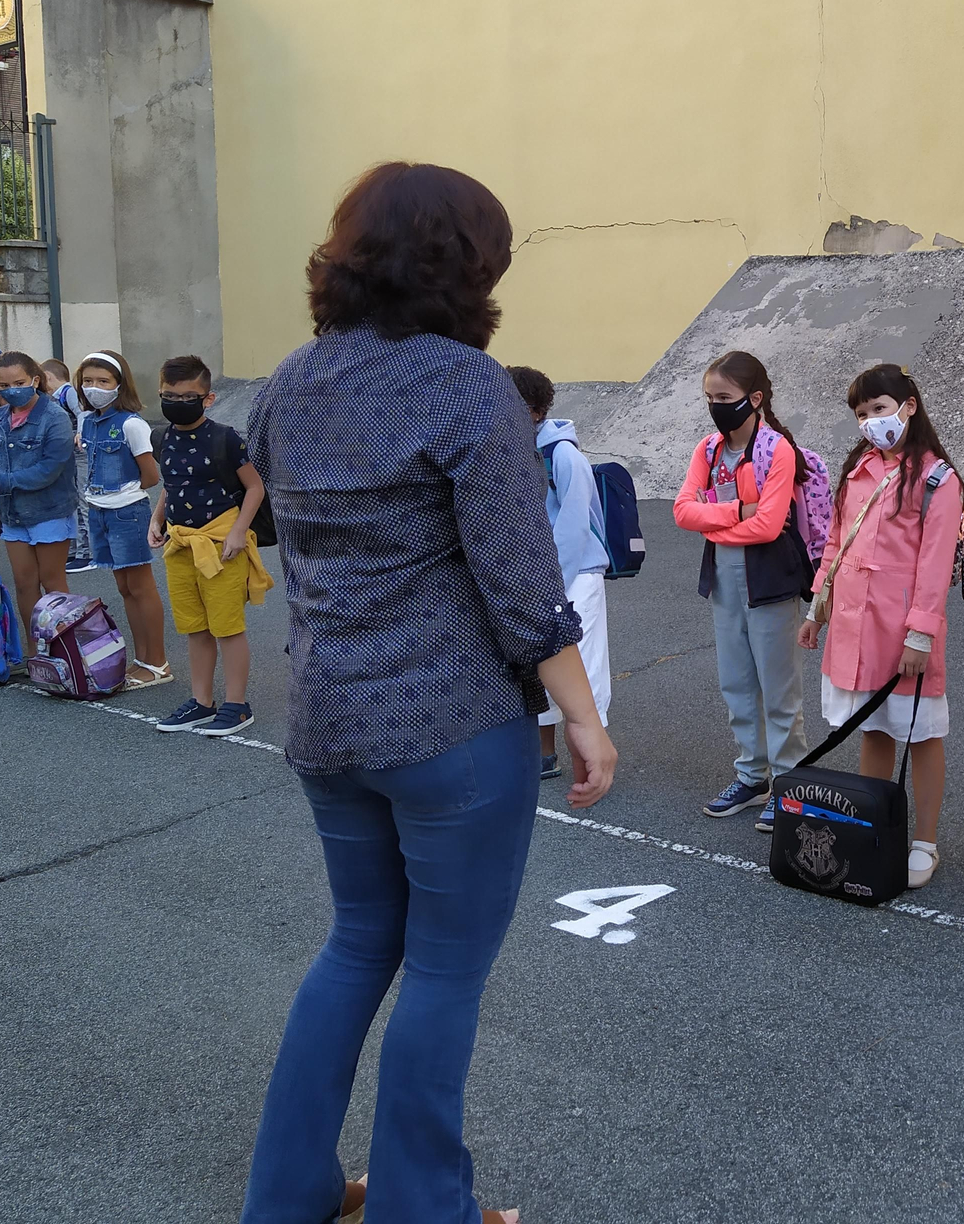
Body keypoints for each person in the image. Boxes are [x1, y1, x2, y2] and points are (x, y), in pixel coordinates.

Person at [238, 161, 615, 1224]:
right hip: (452, 727)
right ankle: (422, 1209)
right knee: (445, 972)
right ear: (465, 264)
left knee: (355, 948)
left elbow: (279, 525)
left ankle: (289, 1197)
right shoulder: (462, 383)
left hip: (326, 717)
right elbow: (522, 580)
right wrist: (583, 719)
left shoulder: (290, 379)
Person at [798, 364, 964, 885]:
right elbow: (834, 542)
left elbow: (936, 566)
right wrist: (816, 608)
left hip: (902, 629)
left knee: (921, 732)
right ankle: (874, 824)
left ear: (908, 406)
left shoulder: (939, 479)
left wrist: (920, 635)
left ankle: (925, 841)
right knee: (872, 726)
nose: (871, 421)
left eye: (879, 408)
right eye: (861, 414)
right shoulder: (859, 469)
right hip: (855, 623)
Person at [673, 349, 814, 822]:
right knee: (736, 683)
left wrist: (710, 522)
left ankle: (787, 783)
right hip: (723, 580)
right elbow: (681, 511)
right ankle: (753, 775)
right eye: (710, 397)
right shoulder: (707, 450)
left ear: (754, 399)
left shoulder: (778, 450)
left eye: (724, 397)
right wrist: (734, 514)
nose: (715, 405)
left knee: (779, 690)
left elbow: (770, 526)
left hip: (770, 580)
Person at [148, 354, 267, 736]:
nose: (177, 404)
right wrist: (158, 517)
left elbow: (255, 487)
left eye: (187, 397)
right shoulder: (162, 436)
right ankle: (201, 702)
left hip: (219, 543)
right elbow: (173, 483)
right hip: (180, 544)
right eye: (169, 395)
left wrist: (237, 533)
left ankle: (237, 704)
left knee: (227, 627)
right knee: (195, 628)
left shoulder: (225, 438)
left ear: (208, 398)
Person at [510, 365, 611, 780]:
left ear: (534, 411)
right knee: (541, 663)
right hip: (543, 578)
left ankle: (592, 763)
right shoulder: (517, 449)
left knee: (585, 667)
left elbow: (572, 526)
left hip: (576, 576)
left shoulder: (564, 454)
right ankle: (545, 755)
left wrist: (551, 582)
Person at [74, 350, 171, 687]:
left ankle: (158, 662)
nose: (94, 387)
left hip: (127, 512)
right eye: (88, 381)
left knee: (141, 586)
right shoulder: (87, 421)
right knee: (124, 587)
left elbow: (151, 475)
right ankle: (142, 659)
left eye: (103, 381)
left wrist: (123, 494)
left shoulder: (131, 424)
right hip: (98, 510)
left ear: (120, 384)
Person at [0, 351, 76, 630]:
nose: (10, 391)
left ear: (35, 379)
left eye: (18, 383)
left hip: (50, 510)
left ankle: (63, 649)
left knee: (53, 582)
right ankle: (34, 651)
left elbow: (48, 471)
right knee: (24, 583)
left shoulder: (56, 417)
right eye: (3, 386)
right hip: (12, 514)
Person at [44, 357, 94, 574]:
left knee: (83, 502)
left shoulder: (67, 393)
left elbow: (83, 412)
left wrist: (80, 434)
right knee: (73, 502)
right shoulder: (56, 398)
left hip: (80, 454)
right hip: (69, 457)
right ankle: (75, 549)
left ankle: (89, 552)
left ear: (47, 378)